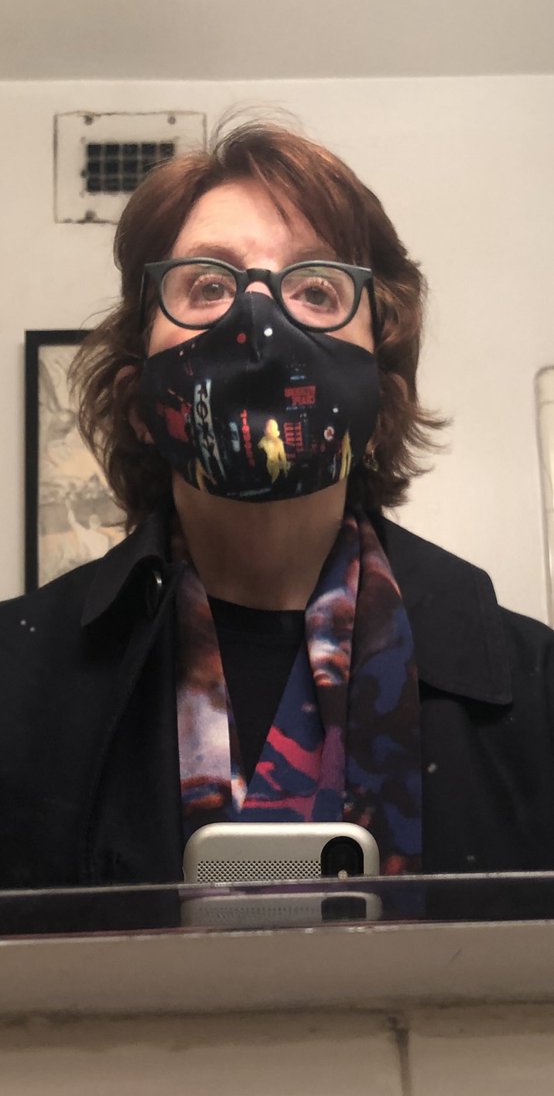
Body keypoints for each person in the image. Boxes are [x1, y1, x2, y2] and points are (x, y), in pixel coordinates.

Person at [1, 119, 553, 893]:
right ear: (137, 402)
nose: (257, 323)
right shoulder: (14, 679)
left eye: (316, 289)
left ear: (379, 405)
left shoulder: (536, 687)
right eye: (208, 285)